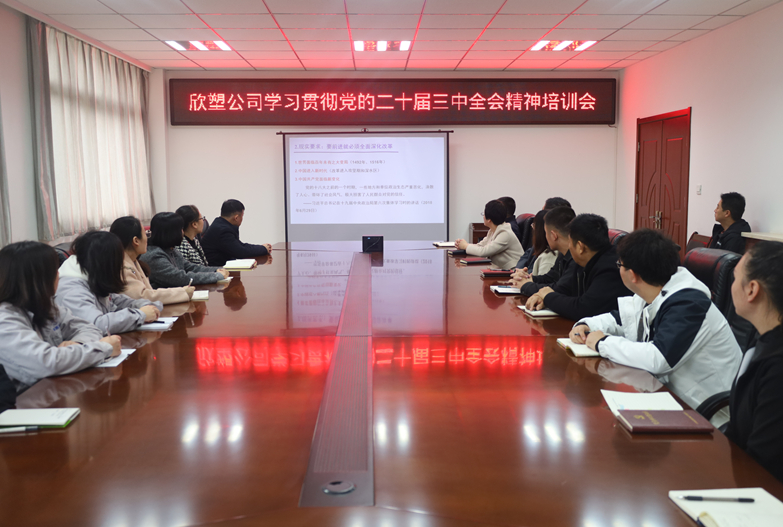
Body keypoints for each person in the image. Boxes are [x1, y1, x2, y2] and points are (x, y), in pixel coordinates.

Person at [569, 229, 741, 409]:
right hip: (668, 397)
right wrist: (587, 324)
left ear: (632, 275)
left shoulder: (688, 303)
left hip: (709, 411)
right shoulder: (655, 291)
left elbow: (658, 358)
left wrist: (602, 343)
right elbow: (622, 320)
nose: (618, 268)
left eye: (620, 264)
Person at [0, 241, 121, 390]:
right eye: (54, 270)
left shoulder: (46, 305)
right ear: (39, 278)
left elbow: (89, 328)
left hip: (51, 390)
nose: (58, 274)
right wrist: (103, 349)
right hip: (23, 400)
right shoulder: (5, 320)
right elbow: (46, 363)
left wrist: (78, 344)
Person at [725, 241, 783, 482]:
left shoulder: (777, 367)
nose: (731, 286)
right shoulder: (762, 337)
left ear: (752, 290)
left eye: (735, 278)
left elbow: (764, 463)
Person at [525, 213, 631, 320]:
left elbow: (584, 308)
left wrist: (548, 297)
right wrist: (541, 296)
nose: (569, 247)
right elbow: (564, 290)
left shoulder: (611, 267)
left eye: (570, 242)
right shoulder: (584, 261)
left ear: (580, 247)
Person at [56, 232, 162, 336]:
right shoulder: (71, 290)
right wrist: (140, 315)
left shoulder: (92, 276)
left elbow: (118, 301)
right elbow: (97, 325)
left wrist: (147, 307)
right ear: (105, 262)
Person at [110, 216, 195, 304]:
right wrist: (182, 293)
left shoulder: (133, 261)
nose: (147, 238)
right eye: (145, 234)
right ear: (136, 241)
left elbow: (148, 292)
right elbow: (142, 296)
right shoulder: (123, 268)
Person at [139, 212, 229, 288]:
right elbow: (179, 278)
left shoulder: (169, 248)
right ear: (170, 233)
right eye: (181, 229)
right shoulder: (153, 255)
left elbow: (190, 267)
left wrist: (218, 270)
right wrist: (216, 276)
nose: (183, 232)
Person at [512, 206, 575, 296]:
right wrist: (528, 278)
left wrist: (525, 285)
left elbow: (558, 288)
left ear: (553, 235)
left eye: (545, 232)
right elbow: (549, 278)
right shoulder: (563, 254)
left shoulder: (575, 259)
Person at [454, 199, 524, 269]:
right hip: (500, 269)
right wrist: (462, 245)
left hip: (513, 271)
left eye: (484, 214)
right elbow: (480, 246)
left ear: (489, 220)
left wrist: (465, 246)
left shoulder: (505, 233)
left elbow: (484, 252)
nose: (483, 216)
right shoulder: (493, 230)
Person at [201, 199, 272, 267]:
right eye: (242, 216)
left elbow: (240, 246)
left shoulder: (220, 224)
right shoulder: (223, 230)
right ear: (236, 218)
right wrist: (263, 249)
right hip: (216, 270)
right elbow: (240, 252)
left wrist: (262, 247)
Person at [514, 209, 558, 274]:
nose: (533, 229)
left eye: (534, 225)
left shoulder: (550, 255)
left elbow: (537, 276)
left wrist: (524, 274)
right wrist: (519, 271)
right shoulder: (534, 247)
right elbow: (522, 261)